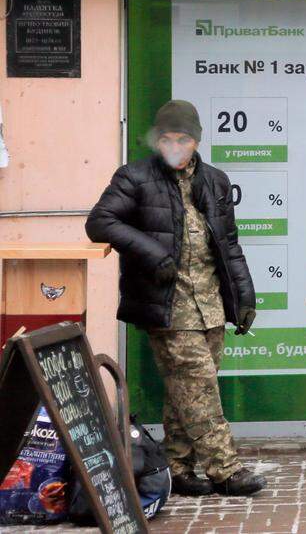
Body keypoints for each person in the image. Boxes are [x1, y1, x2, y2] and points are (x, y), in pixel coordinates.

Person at [86, 100, 264, 496]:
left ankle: (178, 468)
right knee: (198, 387)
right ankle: (225, 470)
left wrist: (244, 296)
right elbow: (99, 222)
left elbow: (229, 245)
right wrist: (152, 253)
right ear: (156, 140)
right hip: (168, 305)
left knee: (186, 389)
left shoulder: (215, 181)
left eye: (183, 139)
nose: (175, 147)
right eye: (167, 139)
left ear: (197, 140)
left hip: (210, 305)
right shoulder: (135, 177)